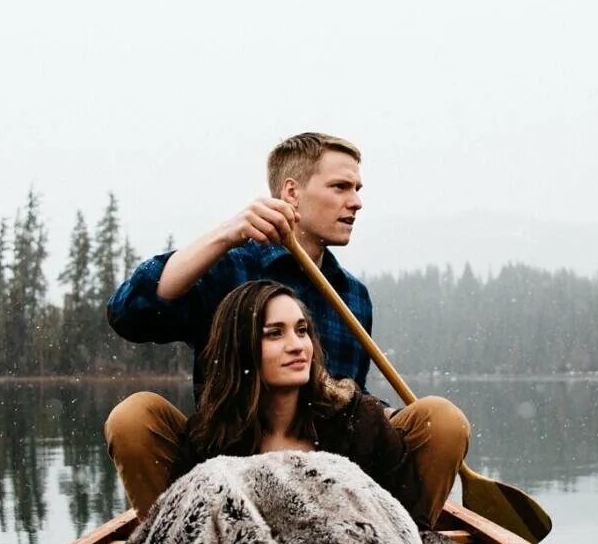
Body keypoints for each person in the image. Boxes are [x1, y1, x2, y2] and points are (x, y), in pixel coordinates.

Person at [105, 132, 468, 523]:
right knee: (133, 417)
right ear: (291, 193)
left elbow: (348, 393)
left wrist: (379, 417)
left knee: (440, 421)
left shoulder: (353, 295)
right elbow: (129, 313)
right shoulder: (230, 266)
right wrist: (228, 233)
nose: (357, 202)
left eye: (358, 189)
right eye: (340, 187)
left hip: (333, 475)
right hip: (226, 461)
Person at [170, 281, 430, 521]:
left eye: (302, 330)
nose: (297, 345)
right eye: (275, 334)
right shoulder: (206, 441)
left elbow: (408, 524)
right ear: (240, 348)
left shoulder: (359, 423)